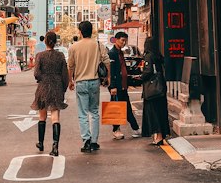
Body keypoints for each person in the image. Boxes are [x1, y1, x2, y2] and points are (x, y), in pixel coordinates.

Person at [66, 20, 109, 153]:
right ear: (92, 31)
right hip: (95, 81)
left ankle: (86, 141)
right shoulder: (97, 44)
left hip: (81, 82)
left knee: (83, 113)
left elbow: (70, 66)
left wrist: (70, 81)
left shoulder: (74, 47)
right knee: (94, 112)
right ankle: (95, 141)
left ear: (80, 31)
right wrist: (108, 77)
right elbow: (107, 61)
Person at [32, 30, 68, 156]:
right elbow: (65, 75)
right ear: (55, 42)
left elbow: (36, 73)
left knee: (42, 116)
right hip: (57, 86)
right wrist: (63, 88)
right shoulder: (60, 56)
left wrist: (42, 78)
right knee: (55, 117)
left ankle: (40, 143)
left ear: (45, 41)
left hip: (43, 87)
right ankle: (55, 146)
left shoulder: (40, 56)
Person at [107, 31, 140, 139]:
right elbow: (111, 72)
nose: (124, 42)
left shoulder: (120, 52)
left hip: (123, 85)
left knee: (125, 107)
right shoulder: (112, 53)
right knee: (117, 108)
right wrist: (112, 86)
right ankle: (117, 130)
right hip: (117, 86)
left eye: (125, 40)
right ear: (116, 39)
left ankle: (135, 128)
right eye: (122, 40)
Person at [140, 38, 170, 147]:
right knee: (161, 111)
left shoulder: (149, 55)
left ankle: (157, 137)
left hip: (152, 90)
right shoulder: (158, 56)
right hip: (160, 88)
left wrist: (141, 77)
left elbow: (148, 71)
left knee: (153, 113)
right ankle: (161, 135)